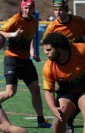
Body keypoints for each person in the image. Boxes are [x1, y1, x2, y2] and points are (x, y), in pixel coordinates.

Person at [0, 0, 52, 128]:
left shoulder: (34, 22)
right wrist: (13, 34)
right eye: (26, 8)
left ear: (34, 9)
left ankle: (41, 120)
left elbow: (30, 38)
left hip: (26, 60)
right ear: (22, 9)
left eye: (31, 8)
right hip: (12, 60)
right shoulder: (15, 20)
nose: (28, 10)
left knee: (36, 90)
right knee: (10, 92)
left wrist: (32, 53)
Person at [42, 0, 85, 132]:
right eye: (55, 10)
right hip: (66, 93)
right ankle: (68, 123)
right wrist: (53, 108)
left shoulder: (81, 50)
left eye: (49, 50)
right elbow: (48, 91)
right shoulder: (49, 66)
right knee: (59, 118)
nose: (46, 53)